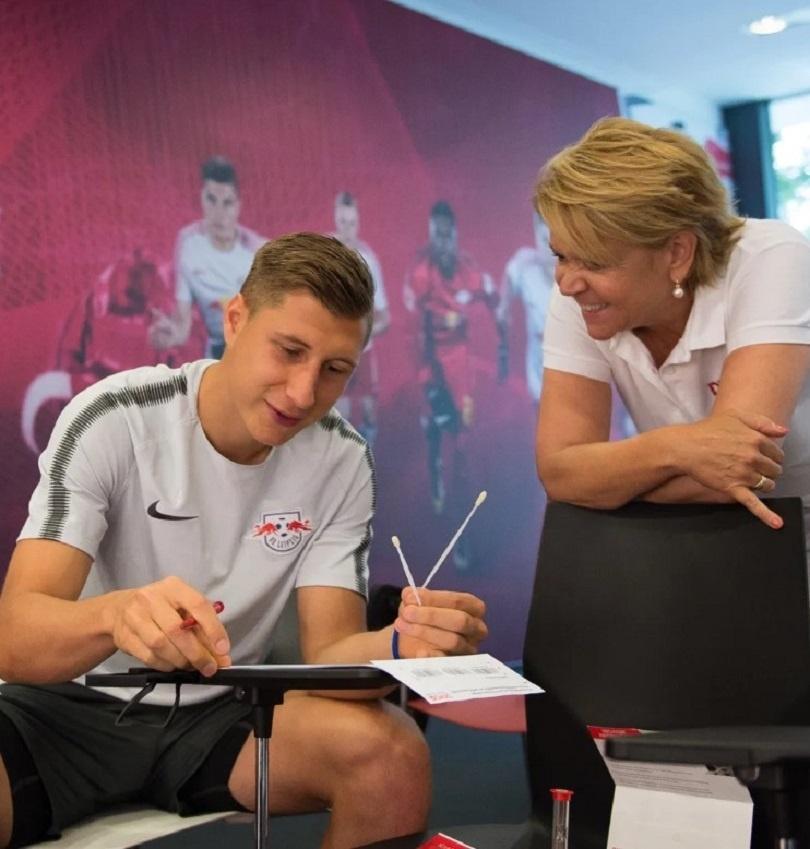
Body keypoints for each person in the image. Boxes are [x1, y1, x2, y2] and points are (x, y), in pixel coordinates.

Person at [0, 233, 488, 849]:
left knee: (391, 754)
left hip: (226, 712)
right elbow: (14, 639)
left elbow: (329, 656)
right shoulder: (114, 418)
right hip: (61, 710)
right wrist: (118, 615)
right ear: (235, 319)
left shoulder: (342, 459)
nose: (303, 393)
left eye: (334, 370)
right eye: (288, 351)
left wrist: (400, 644)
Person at [533, 117, 810, 541]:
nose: (567, 283)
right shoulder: (579, 296)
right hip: (716, 542)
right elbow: (559, 476)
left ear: (677, 253)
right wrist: (676, 448)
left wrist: (606, 482)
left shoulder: (771, 256)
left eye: (594, 262)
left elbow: (737, 468)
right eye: (560, 256)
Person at [403, 202, 498, 569]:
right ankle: (437, 480)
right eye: (436, 235)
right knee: (443, 437)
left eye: (448, 234)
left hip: (462, 372)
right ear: (430, 237)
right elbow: (413, 326)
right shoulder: (421, 271)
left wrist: (474, 313)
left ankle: (463, 532)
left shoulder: (468, 269)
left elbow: (490, 303)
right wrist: (426, 379)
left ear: (455, 236)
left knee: (462, 447)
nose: (443, 242)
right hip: (432, 368)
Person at [150, 156, 264, 359]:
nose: (218, 213)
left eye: (227, 203)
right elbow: (182, 327)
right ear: (201, 198)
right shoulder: (188, 245)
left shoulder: (256, 251)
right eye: (211, 200)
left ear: (238, 206)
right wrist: (170, 336)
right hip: (217, 356)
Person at [330, 191, 390, 446]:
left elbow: (385, 318)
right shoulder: (324, 257)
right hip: (334, 353)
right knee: (339, 416)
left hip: (362, 353)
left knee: (368, 416)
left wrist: (363, 331)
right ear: (335, 220)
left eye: (352, 223)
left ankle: (366, 472)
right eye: (342, 222)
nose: (347, 229)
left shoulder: (370, 261)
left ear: (359, 223)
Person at [497, 211, 556, 403]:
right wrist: (503, 307)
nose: (547, 247)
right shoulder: (526, 265)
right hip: (539, 378)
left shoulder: (580, 273)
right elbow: (510, 275)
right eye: (542, 239)